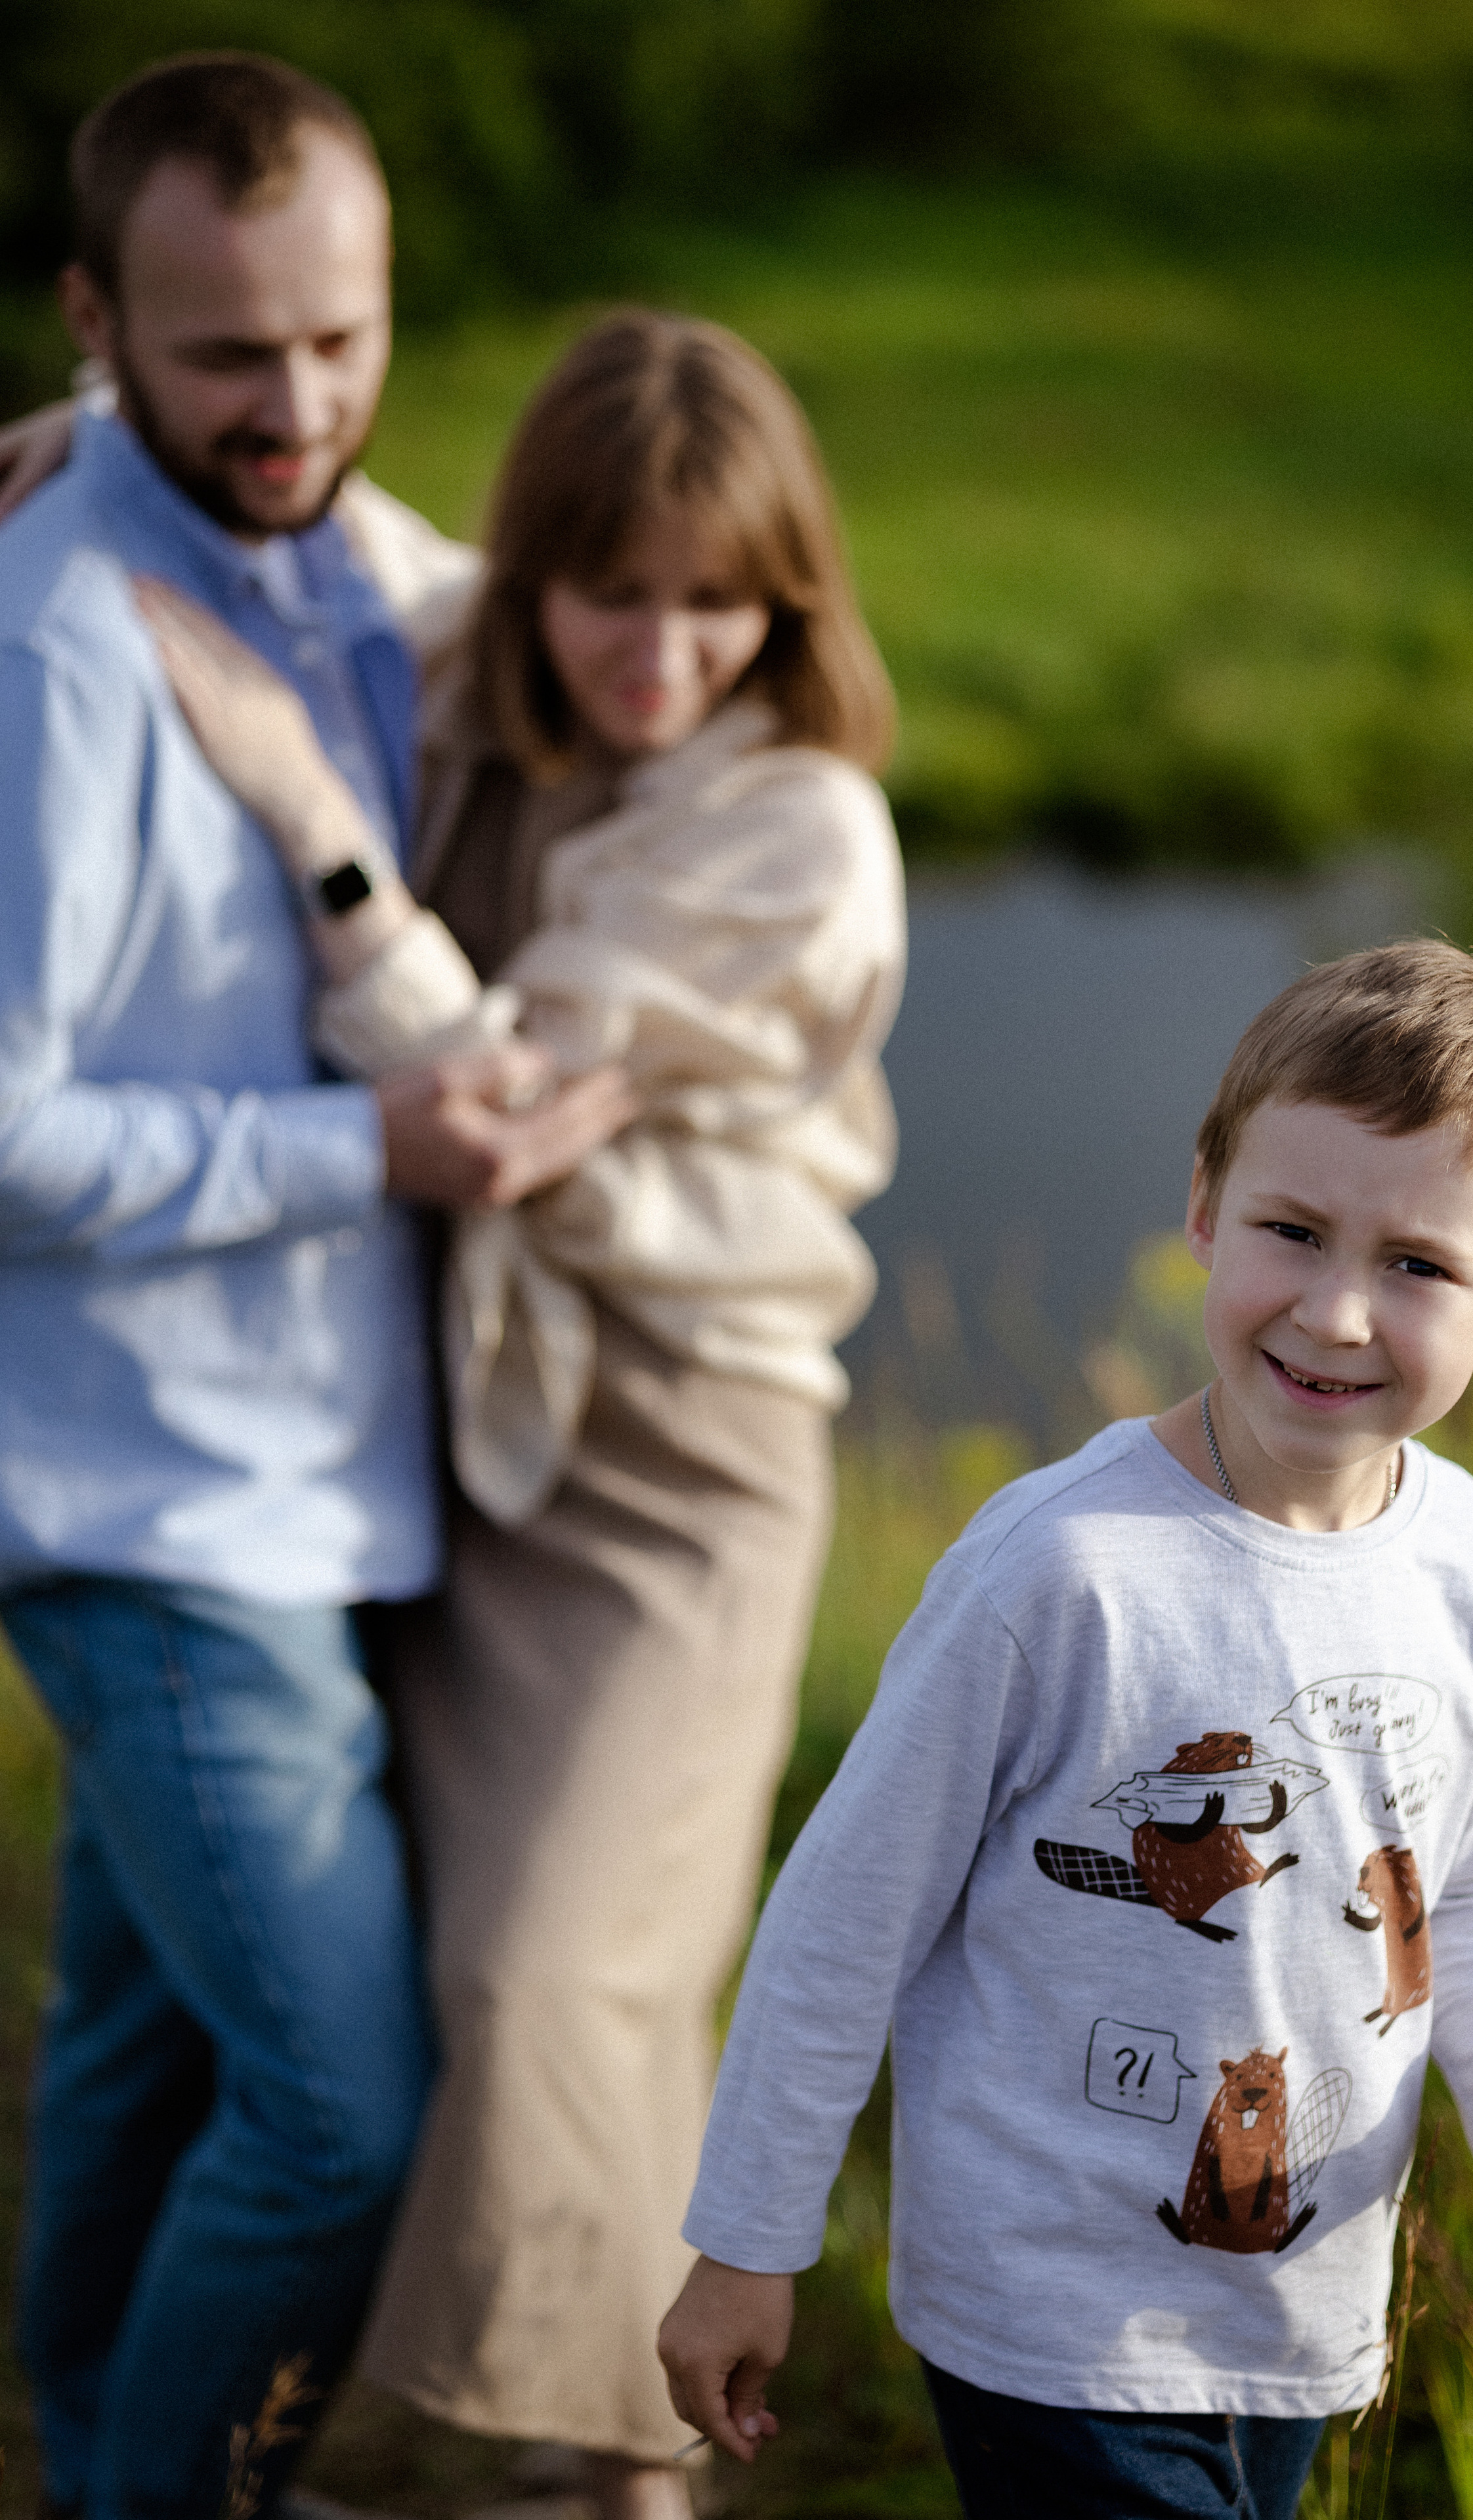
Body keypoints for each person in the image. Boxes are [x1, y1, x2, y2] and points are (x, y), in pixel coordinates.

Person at [133, 308, 905, 2517]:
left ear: (789, 598)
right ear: (544, 572)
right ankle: (612, 2453)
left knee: (552, 1963)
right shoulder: (503, 664)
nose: (660, 651)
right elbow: (353, 524)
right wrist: (91, 435)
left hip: (681, 1463)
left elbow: (492, 1106)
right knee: (539, 1974)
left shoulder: (797, 829)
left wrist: (311, 813)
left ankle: (603, 2438)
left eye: (717, 600)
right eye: (612, 592)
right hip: (457, 1433)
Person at [657, 939, 1473, 2520]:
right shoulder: (1056, 1571)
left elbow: (1455, 1896)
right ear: (1202, 1204)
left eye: (1415, 1265)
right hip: (1050, 2322)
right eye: (1289, 1231)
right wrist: (747, 2241)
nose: (1332, 1310)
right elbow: (843, 1923)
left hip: (1303, 2314)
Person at [0, 55, 630, 2518]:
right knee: (344, 2111)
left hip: (323, 1478)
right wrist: (360, 1145)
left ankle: (76, 2439)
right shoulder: (50, 647)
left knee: (147, 2055)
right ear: (95, 322)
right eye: (225, 357)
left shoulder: (374, 565)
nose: (299, 410)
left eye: (341, 344)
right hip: (153, 1512)